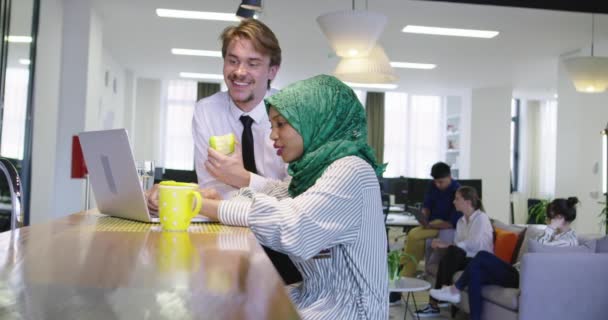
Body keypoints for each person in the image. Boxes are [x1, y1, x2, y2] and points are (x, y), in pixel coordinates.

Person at [196, 75, 388, 319]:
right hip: (314, 298)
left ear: (314, 121)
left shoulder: (351, 170)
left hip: (349, 312)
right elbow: (278, 193)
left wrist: (201, 205)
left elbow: (292, 225)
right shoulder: (313, 173)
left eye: (281, 124)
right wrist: (216, 198)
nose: (272, 135)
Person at [150, 19, 302, 285]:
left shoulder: (293, 115)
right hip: (226, 236)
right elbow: (211, 187)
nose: (239, 72)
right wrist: (171, 195)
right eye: (233, 61)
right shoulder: (206, 111)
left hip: (284, 244)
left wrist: (240, 177)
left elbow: (295, 196)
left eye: (253, 63)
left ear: (272, 71)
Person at [429, 197, 580, 320]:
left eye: (549, 218)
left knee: (482, 256)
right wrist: (550, 231)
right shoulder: (553, 234)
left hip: (523, 277)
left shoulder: (568, 241)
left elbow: (537, 251)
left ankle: (455, 290)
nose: (547, 222)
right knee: (476, 272)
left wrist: (550, 230)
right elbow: (538, 246)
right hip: (517, 270)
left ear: (559, 218)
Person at [416, 186, 493, 317]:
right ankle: (439, 300)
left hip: (479, 261)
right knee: (449, 253)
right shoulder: (460, 222)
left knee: (451, 251)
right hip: (465, 258)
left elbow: (474, 244)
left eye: (457, 199)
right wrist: (445, 246)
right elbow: (459, 246)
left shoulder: (481, 218)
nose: (453, 202)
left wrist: (448, 245)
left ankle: (440, 299)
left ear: (468, 202)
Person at [400, 162, 462, 278]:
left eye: (441, 182)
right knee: (416, 239)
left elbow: (451, 223)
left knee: (413, 235)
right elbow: (427, 205)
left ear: (449, 177)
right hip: (431, 224)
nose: (438, 185)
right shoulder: (432, 185)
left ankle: (405, 268)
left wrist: (430, 226)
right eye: (436, 181)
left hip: (444, 226)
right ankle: (407, 271)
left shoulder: (457, 191)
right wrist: (423, 217)